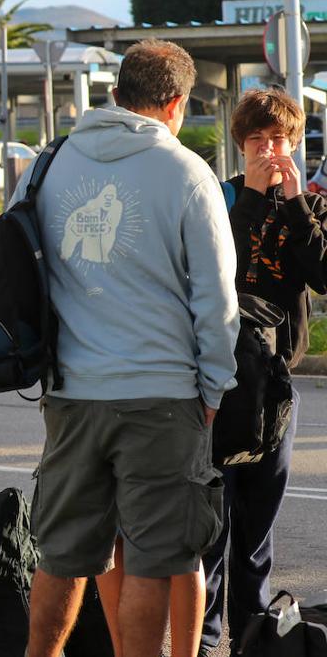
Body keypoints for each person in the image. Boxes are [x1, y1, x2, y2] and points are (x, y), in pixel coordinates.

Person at [16, 39, 239, 657]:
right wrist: (213, 389)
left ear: (115, 96)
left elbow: (10, 268)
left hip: (69, 393)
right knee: (155, 554)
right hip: (163, 395)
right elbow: (217, 301)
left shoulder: (47, 165)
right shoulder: (188, 174)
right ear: (176, 103)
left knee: (62, 552)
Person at [192, 88, 325, 657]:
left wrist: (295, 205)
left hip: (275, 384)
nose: (270, 151)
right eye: (257, 141)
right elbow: (219, 269)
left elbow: (321, 275)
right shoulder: (217, 202)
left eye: (280, 140)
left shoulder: (311, 208)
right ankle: (205, 636)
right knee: (212, 524)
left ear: (295, 144)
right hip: (217, 379)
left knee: (257, 526)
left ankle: (251, 640)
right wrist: (249, 195)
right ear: (239, 145)